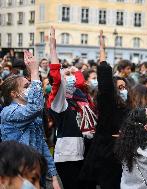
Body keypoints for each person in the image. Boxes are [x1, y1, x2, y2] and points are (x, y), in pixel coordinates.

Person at [0, 50, 60, 189]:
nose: (30, 89)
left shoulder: (32, 114)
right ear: (14, 93)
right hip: (17, 174)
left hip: (36, 172)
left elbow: (43, 145)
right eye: (27, 86)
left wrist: (53, 176)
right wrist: (34, 72)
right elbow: (35, 107)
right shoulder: (8, 112)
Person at [79, 30, 130, 189]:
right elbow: (106, 80)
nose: (123, 90)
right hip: (105, 153)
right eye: (120, 87)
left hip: (121, 154)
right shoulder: (108, 102)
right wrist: (102, 52)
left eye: (125, 87)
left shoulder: (127, 105)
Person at [47, 26, 86, 189]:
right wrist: (53, 49)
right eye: (66, 75)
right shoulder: (58, 102)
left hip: (80, 151)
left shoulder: (77, 98)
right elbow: (57, 77)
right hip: (67, 155)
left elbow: (81, 83)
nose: (70, 78)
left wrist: (74, 71)